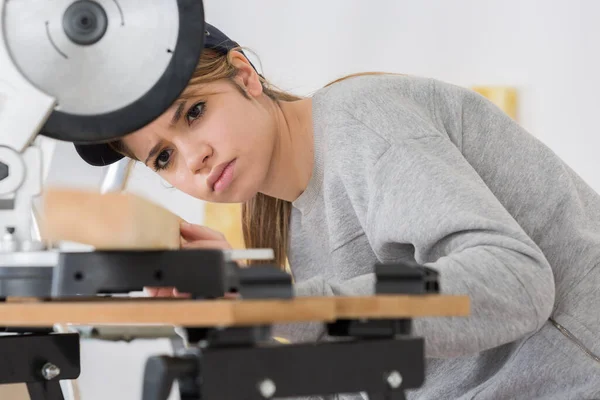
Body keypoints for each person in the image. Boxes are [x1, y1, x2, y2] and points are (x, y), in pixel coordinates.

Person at [74, 23, 600, 399]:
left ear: (244, 75)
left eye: (194, 113)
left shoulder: (361, 122)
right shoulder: (290, 213)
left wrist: (278, 303)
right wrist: (229, 302)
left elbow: (515, 284)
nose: (193, 158)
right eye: (162, 156)